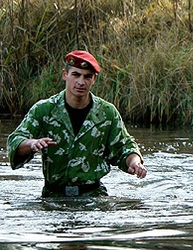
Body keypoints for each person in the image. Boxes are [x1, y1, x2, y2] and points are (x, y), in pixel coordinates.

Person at [6, 51, 147, 197]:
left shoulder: (107, 113)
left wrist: (135, 162)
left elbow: (125, 146)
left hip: (93, 197)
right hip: (53, 197)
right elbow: (15, 141)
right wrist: (31, 144)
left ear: (94, 79)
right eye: (76, 75)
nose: (81, 82)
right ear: (64, 75)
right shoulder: (44, 110)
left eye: (87, 77)